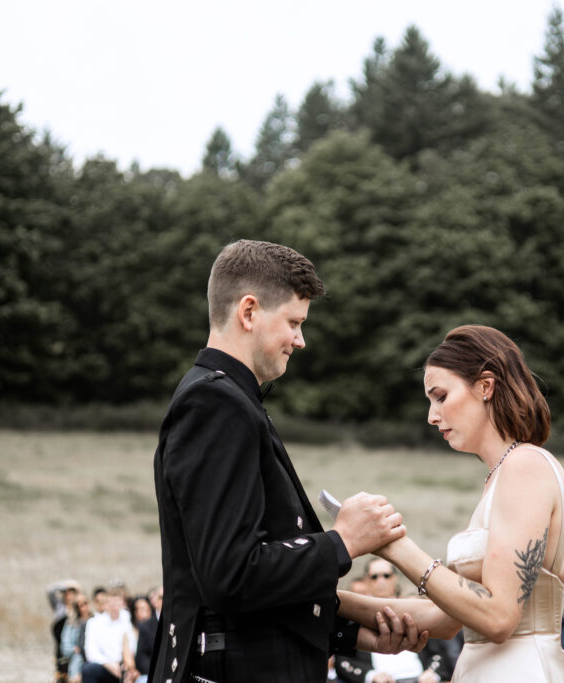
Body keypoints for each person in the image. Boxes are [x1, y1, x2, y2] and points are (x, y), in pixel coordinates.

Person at [150, 239, 421, 683]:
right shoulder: (215, 404)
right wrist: (344, 541)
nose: (301, 339)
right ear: (250, 311)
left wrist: (345, 633)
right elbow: (231, 575)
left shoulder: (228, 398)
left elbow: (247, 590)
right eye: (294, 322)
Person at [337, 324, 564, 682]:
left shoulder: (525, 466)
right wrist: (326, 599)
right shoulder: (500, 477)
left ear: (485, 386)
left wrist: (395, 547)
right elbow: (443, 620)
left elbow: (499, 618)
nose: (431, 415)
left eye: (440, 396)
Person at [334, 558, 453, 683]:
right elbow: (343, 661)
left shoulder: (413, 608)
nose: (381, 581)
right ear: (366, 581)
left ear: (395, 579)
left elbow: (438, 654)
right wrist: (371, 676)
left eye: (386, 575)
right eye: (374, 577)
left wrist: (432, 673)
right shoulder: (355, 614)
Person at [83, 592, 135, 683]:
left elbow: (132, 646)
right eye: (110, 603)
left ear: (122, 604)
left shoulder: (128, 619)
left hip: (125, 664)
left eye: (117, 603)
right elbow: (91, 651)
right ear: (105, 605)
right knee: (88, 669)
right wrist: (108, 664)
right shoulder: (94, 623)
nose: (114, 606)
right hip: (104, 665)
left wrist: (126, 665)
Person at [61, 592, 93, 683]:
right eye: (80, 605)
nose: (83, 608)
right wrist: (74, 649)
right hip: (78, 659)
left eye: (85, 604)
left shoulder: (96, 620)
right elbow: (65, 645)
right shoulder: (72, 624)